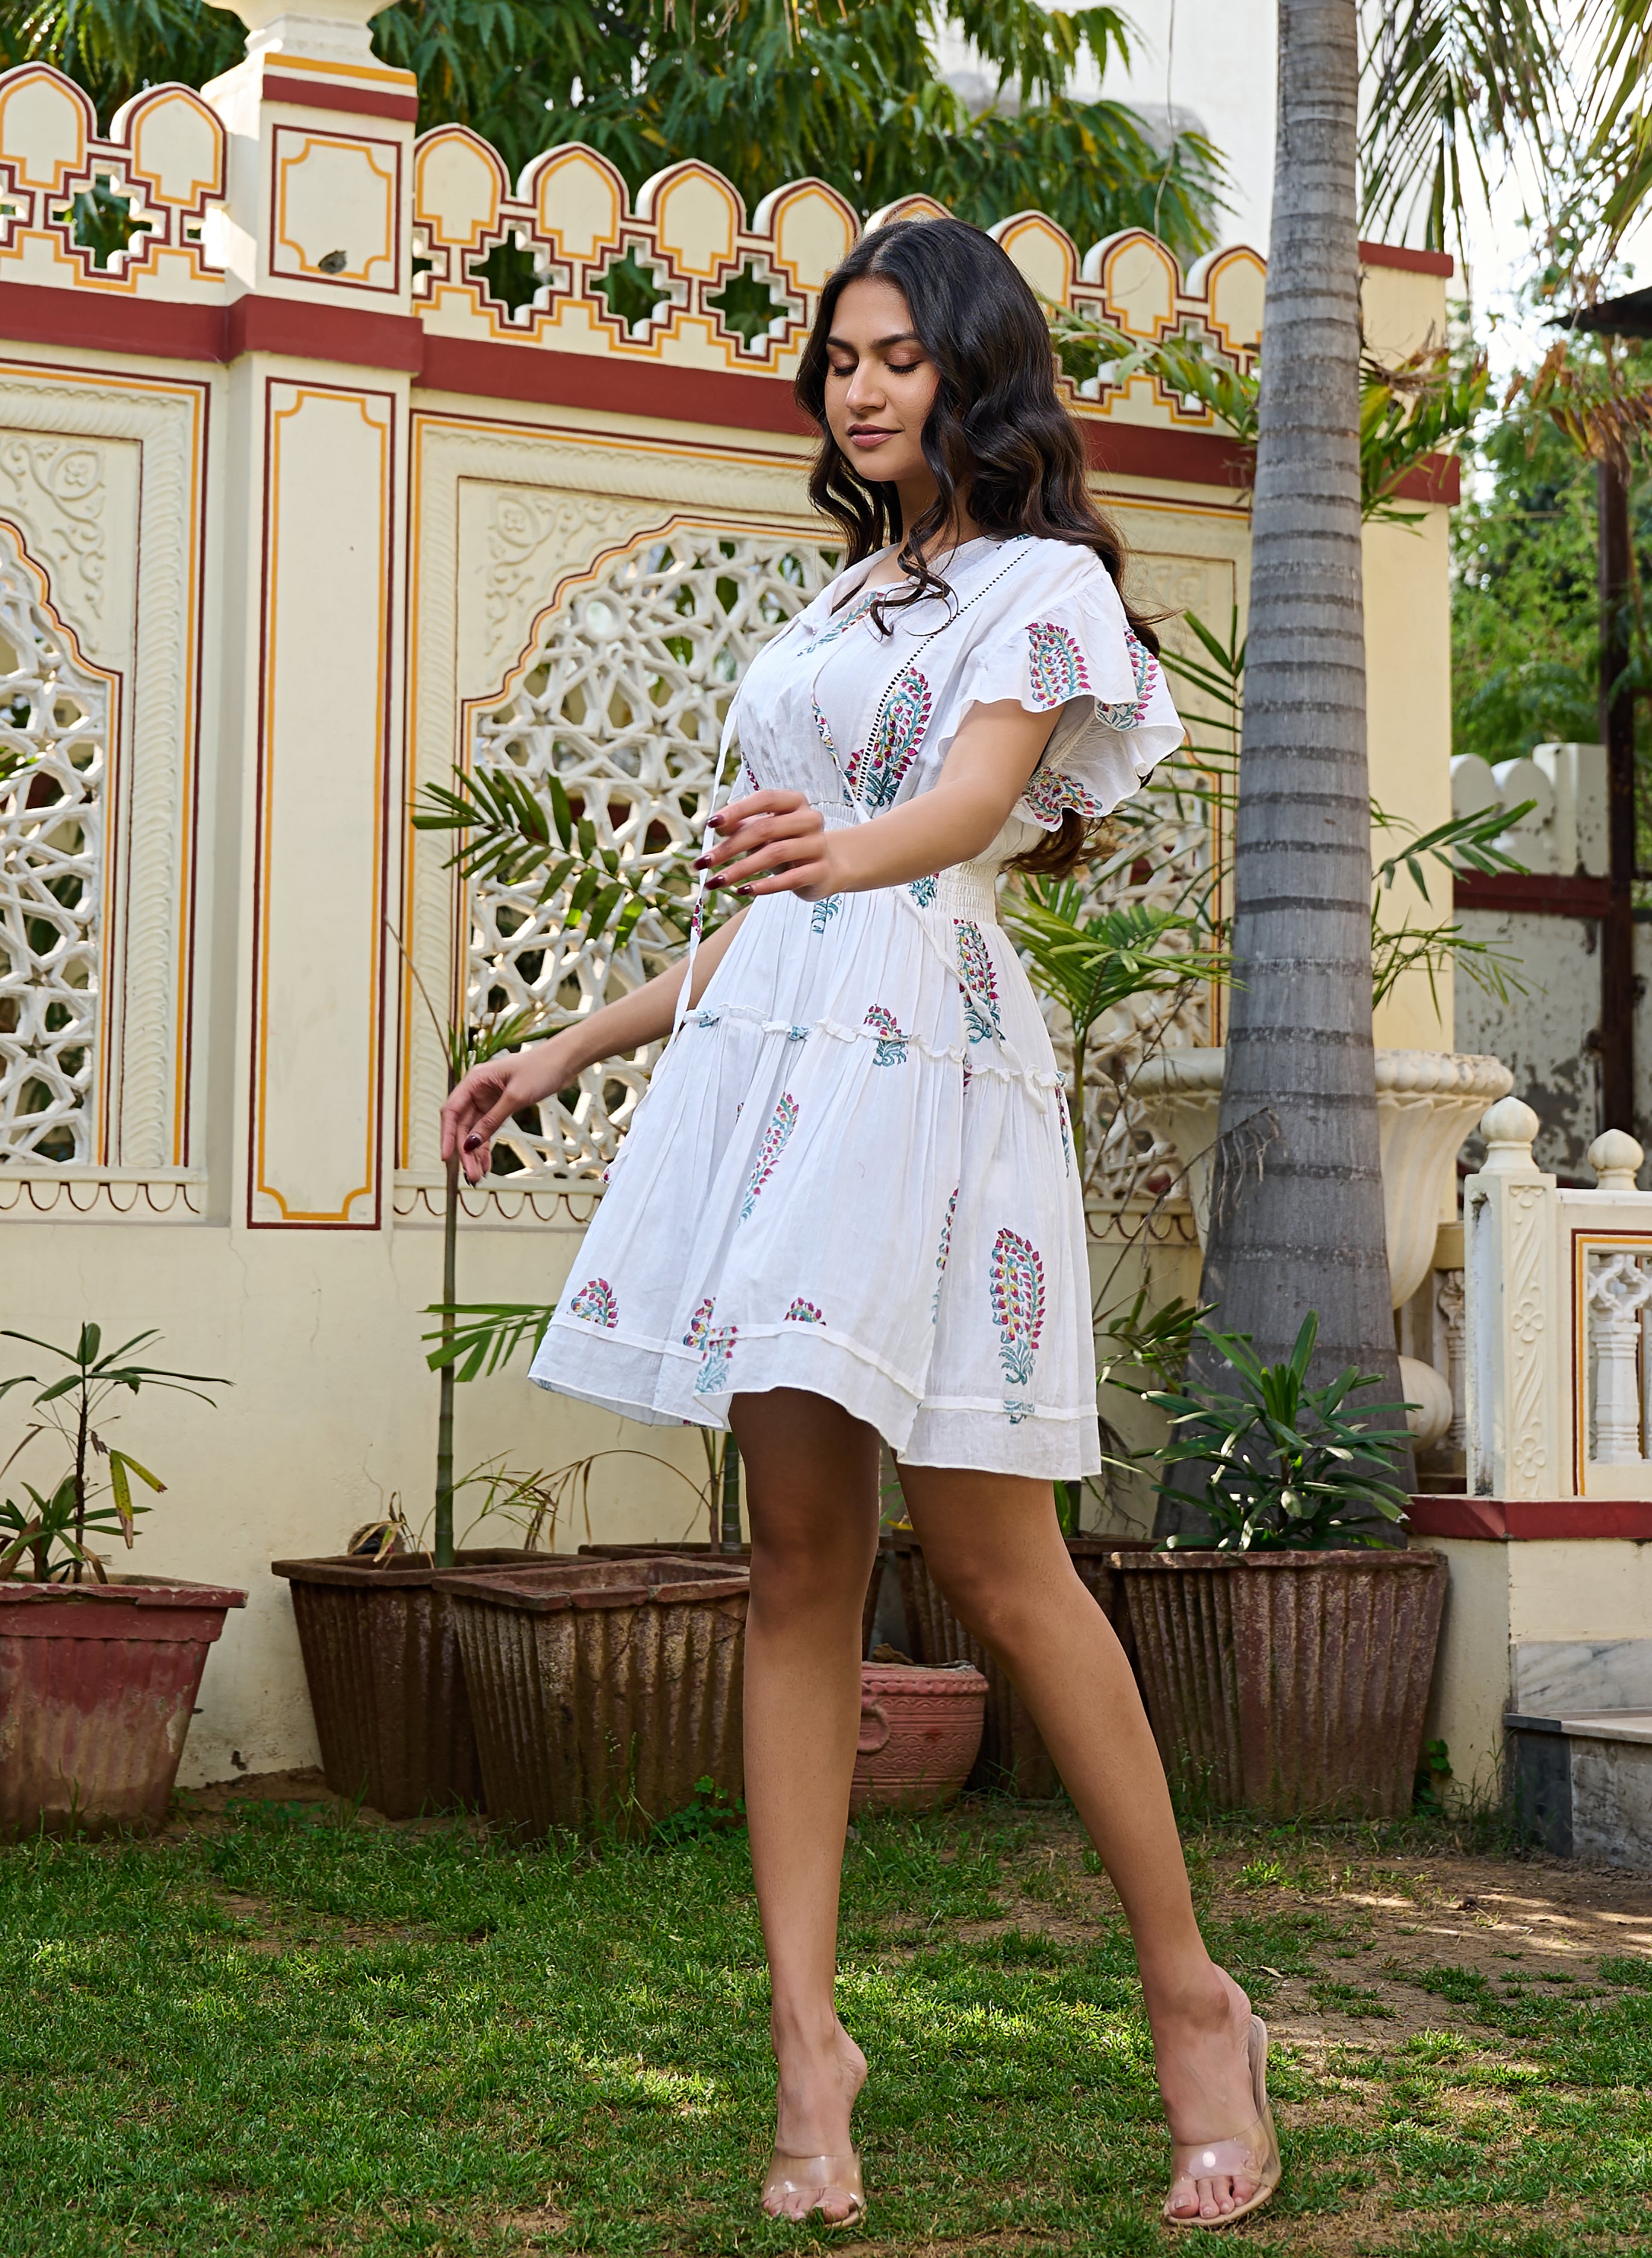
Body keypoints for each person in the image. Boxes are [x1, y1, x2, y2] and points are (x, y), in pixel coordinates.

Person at [440, 215, 1281, 2234]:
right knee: (799, 1559)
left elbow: (967, 816)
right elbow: (766, 905)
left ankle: (1193, 1999)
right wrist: (566, 1048)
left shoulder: (1046, 589)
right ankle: (808, 2046)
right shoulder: (833, 618)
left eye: (896, 354)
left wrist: (838, 852)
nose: (861, 389)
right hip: (777, 1066)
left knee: (1003, 1573)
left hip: (936, 1073)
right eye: (838, 362)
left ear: (973, 366)